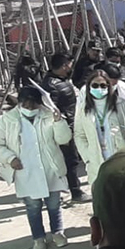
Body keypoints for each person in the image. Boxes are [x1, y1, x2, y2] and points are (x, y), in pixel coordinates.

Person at [0, 87, 75, 249]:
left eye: (33, 106)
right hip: (25, 170)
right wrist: (10, 158)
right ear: (19, 103)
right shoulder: (7, 120)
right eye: (26, 105)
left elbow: (64, 139)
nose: (29, 109)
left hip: (49, 167)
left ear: (39, 104)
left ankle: (58, 233)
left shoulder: (49, 115)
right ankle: (38, 238)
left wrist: (59, 122)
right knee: (33, 207)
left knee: (54, 204)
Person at [74, 71, 125, 186]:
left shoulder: (122, 105)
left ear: (109, 86)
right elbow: (79, 135)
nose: (99, 88)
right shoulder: (83, 110)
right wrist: (87, 157)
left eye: (103, 85)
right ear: (89, 87)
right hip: (96, 160)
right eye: (95, 85)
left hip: (120, 156)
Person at [43, 53, 88, 203]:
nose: (71, 68)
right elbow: (51, 110)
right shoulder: (52, 85)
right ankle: (75, 191)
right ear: (63, 66)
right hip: (64, 128)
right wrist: (61, 129)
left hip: (69, 124)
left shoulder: (59, 81)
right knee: (70, 160)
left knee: (70, 160)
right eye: (69, 65)